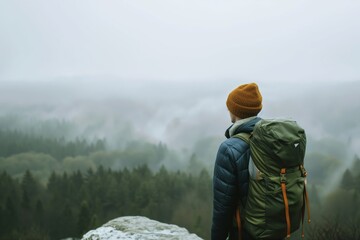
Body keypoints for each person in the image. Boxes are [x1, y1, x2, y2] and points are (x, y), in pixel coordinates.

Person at [211, 83, 262, 240]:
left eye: (229, 107)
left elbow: (223, 207)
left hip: (244, 232)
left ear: (236, 110)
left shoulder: (229, 149)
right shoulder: (272, 139)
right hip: (275, 228)